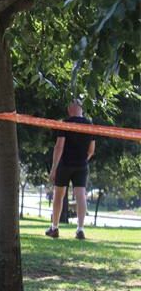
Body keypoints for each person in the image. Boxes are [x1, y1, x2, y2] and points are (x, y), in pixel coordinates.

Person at [46, 99, 96, 240]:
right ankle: (80, 229)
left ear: (70, 109)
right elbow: (91, 150)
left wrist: (54, 168)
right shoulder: (90, 125)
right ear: (81, 109)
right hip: (81, 165)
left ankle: (54, 228)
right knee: (81, 195)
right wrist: (83, 160)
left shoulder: (65, 123)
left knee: (58, 195)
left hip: (65, 163)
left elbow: (59, 147)